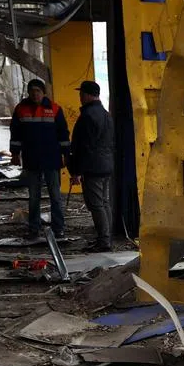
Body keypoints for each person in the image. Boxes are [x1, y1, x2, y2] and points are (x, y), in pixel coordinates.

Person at [10, 79, 70, 239]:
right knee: (34, 197)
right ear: (28, 93)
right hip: (32, 160)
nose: (35, 94)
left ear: (44, 93)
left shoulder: (55, 109)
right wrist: (14, 153)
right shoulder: (21, 109)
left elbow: (63, 134)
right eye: (32, 91)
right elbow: (15, 134)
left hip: (52, 159)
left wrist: (66, 155)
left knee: (55, 196)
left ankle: (59, 229)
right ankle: (34, 229)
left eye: (38, 91)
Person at [67, 80, 115, 252]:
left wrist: (76, 171)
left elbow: (83, 146)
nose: (80, 97)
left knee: (96, 204)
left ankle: (104, 241)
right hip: (106, 165)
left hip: (93, 167)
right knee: (104, 202)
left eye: (81, 94)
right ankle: (106, 238)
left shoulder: (87, 116)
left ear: (87, 95)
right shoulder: (106, 114)